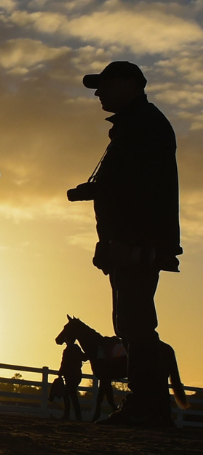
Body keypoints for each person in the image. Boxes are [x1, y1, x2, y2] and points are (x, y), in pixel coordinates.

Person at [67, 61, 181, 427]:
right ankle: (149, 406)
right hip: (133, 240)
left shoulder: (141, 127)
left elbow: (134, 187)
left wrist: (123, 237)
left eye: (105, 85)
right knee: (131, 320)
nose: (98, 93)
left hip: (136, 242)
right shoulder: (140, 125)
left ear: (130, 83)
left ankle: (148, 407)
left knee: (134, 322)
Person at [57, 342, 87, 421]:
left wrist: (60, 372)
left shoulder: (67, 350)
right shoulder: (77, 349)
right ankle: (76, 415)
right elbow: (84, 357)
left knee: (69, 395)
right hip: (76, 374)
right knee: (72, 395)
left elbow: (64, 362)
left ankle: (69, 415)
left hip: (70, 375)